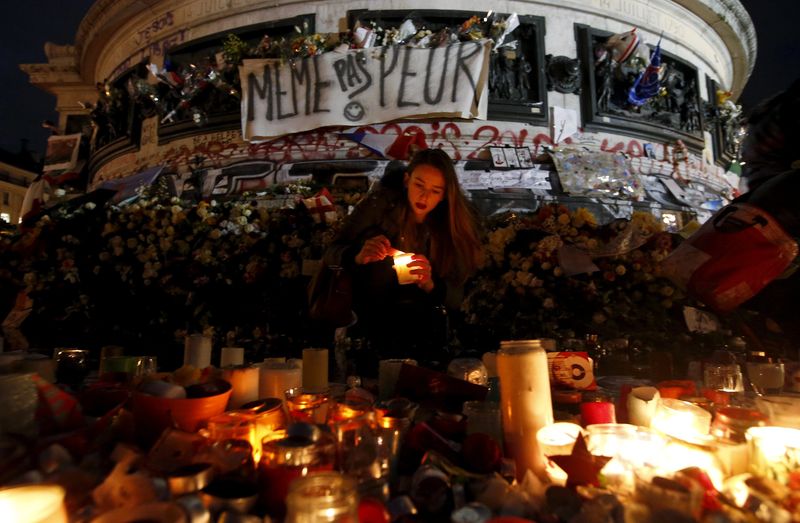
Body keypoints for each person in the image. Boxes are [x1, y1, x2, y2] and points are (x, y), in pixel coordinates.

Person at [323, 149, 484, 373]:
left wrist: (432, 284)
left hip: (427, 337)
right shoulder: (379, 207)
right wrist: (357, 254)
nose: (424, 197)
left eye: (435, 190)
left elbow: (461, 294)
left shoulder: (452, 227)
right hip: (372, 329)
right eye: (419, 185)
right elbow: (332, 251)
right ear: (407, 180)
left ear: (445, 194)